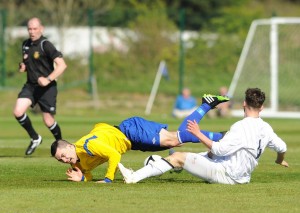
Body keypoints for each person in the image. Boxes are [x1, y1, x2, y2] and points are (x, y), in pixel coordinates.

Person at [118, 88, 289, 184]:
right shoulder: (266, 128)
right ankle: (155, 163)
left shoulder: (240, 126)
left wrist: (198, 133)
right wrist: (280, 159)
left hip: (227, 175)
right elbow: (282, 147)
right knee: (174, 154)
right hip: (242, 176)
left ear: (244, 104)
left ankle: (133, 177)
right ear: (262, 107)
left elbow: (220, 150)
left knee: (177, 156)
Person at [50, 94, 230, 183]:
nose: (65, 160)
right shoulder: (79, 162)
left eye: (64, 154)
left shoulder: (87, 145)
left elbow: (113, 155)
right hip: (132, 142)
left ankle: (221, 136)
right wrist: (82, 178)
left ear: (70, 145)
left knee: (174, 140)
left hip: (131, 131)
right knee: (178, 139)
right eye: (61, 160)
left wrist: (108, 179)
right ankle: (208, 107)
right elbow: (87, 172)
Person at [13, 17, 67, 155]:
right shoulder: (25, 44)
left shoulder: (45, 45)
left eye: (35, 28)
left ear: (41, 29)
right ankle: (35, 138)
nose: (32, 32)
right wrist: (23, 67)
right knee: (18, 111)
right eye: (29, 29)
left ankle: (61, 145)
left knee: (48, 120)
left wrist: (48, 79)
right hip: (31, 86)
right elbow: (29, 64)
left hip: (47, 88)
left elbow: (62, 65)